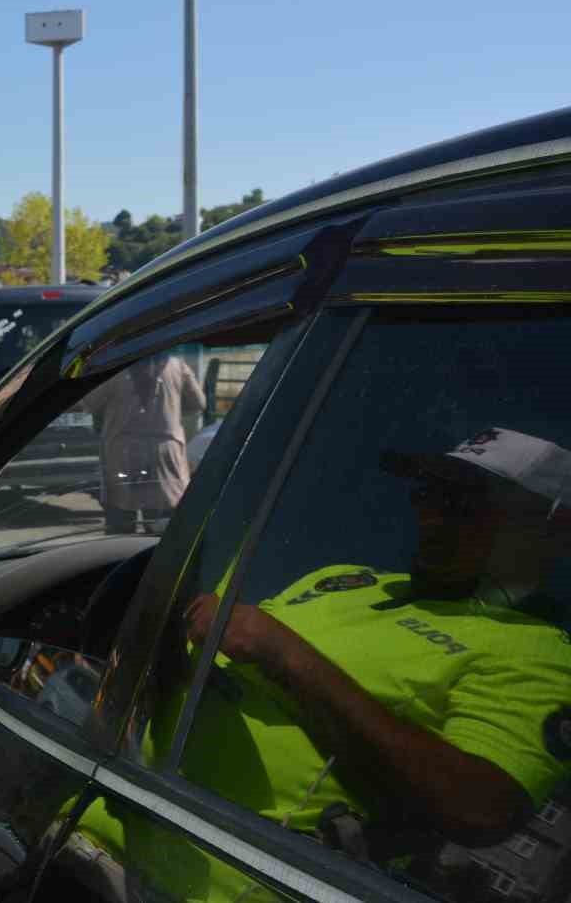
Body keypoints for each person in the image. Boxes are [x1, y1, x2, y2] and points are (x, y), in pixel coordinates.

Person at [77, 427, 571, 902]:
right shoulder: (348, 577)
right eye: (427, 493)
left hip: (213, 882)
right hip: (101, 816)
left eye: (463, 503)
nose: (432, 517)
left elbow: (479, 807)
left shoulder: (539, 652)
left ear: (547, 529)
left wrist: (286, 656)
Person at [83, 352, 206, 533]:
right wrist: (171, 410)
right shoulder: (177, 366)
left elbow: (90, 403)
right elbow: (198, 403)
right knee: (162, 530)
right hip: (166, 452)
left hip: (124, 454)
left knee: (120, 524)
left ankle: (121, 559)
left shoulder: (115, 369)